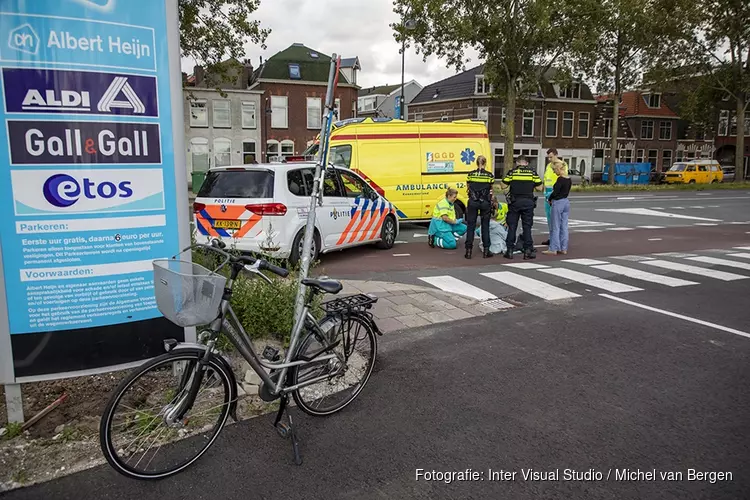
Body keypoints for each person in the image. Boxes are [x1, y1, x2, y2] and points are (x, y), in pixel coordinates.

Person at [500, 155, 543, 260]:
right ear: (526, 163)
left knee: (512, 226)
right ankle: (528, 251)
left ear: (517, 163)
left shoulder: (512, 172)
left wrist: (508, 191)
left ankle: (509, 250)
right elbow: (540, 188)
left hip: (515, 202)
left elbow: (503, 185)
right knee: (527, 227)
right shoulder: (532, 173)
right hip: (528, 202)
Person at [463, 155, 495, 259]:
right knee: (485, 226)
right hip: (485, 202)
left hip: (472, 202)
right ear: (485, 163)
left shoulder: (471, 175)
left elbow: (468, 187)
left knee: (471, 226)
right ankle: (486, 250)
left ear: (476, 163)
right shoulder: (489, 176)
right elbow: (491, 189)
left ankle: (468, 251)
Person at [543, 161, 572, 256]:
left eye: (555, 170)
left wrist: (549, 198)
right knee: (564, 226)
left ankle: (553, 248)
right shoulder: (569, 179)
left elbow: (555, 193)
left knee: (555, 226)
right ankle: (564, 248)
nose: (554, 172)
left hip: (558, 202)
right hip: (566, 202)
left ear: (559, 169)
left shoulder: (560, 179)